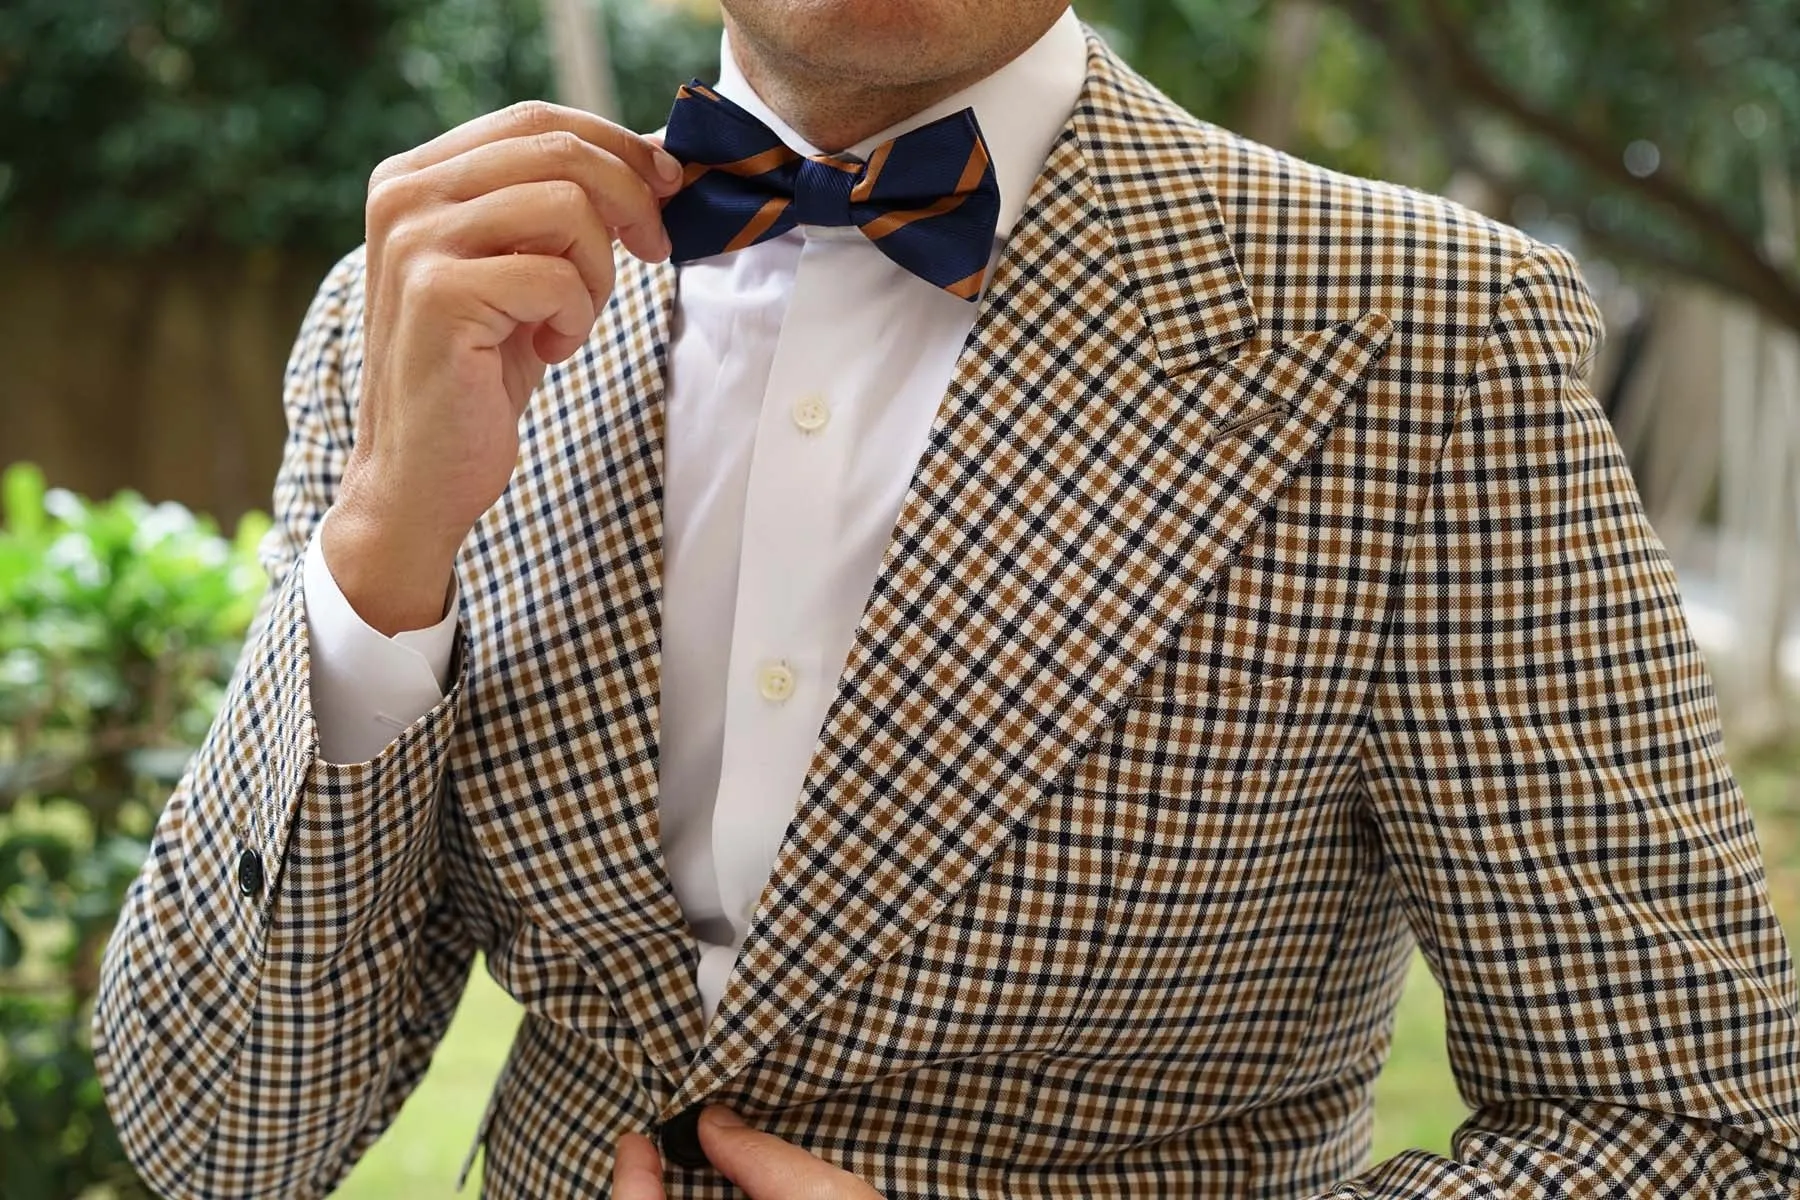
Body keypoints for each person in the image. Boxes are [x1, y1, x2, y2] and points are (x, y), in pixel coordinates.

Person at [93, 0, 1800, 1196]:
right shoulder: (416, 314)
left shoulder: (1428, 336)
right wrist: (387, 541)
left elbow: (1696, 1134)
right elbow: (218, 1138)